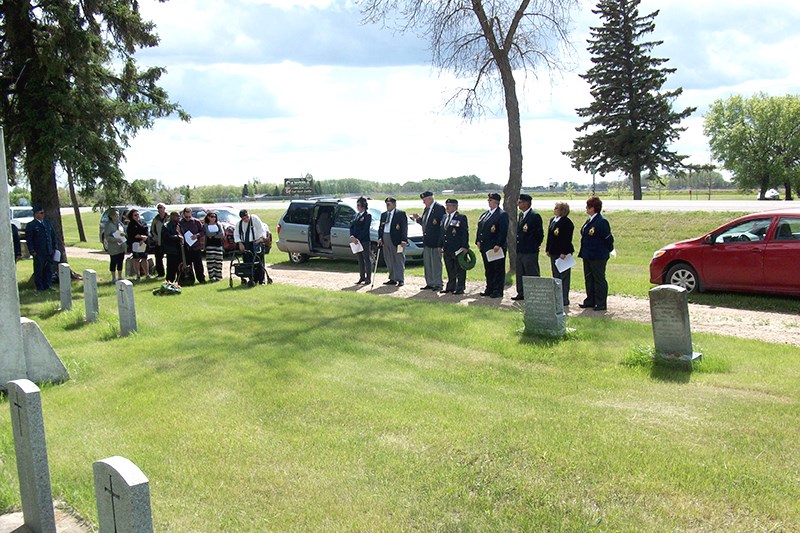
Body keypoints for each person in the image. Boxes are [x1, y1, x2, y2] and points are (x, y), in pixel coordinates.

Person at [578, 196, 614, 311]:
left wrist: (609, 250)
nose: (586, 209)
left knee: (599, 279)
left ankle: (601, 302)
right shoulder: (589, 220)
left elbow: (608, 239)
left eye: (588, 207)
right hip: (587, 254)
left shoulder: (601, 221)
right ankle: (590, 300)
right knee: (589, 278)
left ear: (593, 208)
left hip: (598, 255)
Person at [475, 193, 509, 298]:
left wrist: (498, 244)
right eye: (488, 200)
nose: (489, 202)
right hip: (485, 246)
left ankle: (497, 290)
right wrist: (478, 240)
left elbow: (503, 231)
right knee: (488, 269)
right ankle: (489, 288)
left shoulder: (502, 214)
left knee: (497, 269)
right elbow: (480, 228)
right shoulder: (485, 214)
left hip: (495, 247)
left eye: (491, 200)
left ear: (496, 202)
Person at [411, 191, 445, 291]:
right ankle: (430, 283)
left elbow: (441, 227)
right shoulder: (427, 209)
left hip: (435, 241)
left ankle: (438, 283)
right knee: (428, 263)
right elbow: (426, 224)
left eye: (424, 200)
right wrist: (418, 219)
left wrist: (440, 243)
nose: (423, 202)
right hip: (427, 241)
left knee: (436, 263)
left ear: (430, 198)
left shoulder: (439, 208)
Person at [512, 194, 544, 301]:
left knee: (531, 272)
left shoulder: (534, 216)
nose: (518, 204)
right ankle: (521, 292)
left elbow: (539, 235)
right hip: (520, 250)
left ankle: (534, 293)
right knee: (520, 272)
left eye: (520, 202)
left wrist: (534, 246)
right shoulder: (521, 215)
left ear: (526, 203)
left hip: (530, 251)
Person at [545, 201, 575, 306]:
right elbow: (550, 236)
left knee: (564, 276)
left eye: (557, 208)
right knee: (556, 275)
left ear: (563, 210)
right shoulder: (553, 220)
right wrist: (548, 249)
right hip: (554, 252)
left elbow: (567, 239)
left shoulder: (567, 223)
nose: (555, 209)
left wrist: (564, 252)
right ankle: (556, 297)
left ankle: (564, 299)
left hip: (563, 254)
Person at [25, 205, 58, 291]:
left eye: (43, 213)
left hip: (49, 251)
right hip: (38, 252)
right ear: (36, 214)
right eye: (41, 213)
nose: (43, 215)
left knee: (48, 269)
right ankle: (39, 287)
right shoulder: (31, 225)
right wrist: (32, 251)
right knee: (39, 270)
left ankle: (48, 285)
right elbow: (29, 239)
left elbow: (53, 236)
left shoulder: (47, 223)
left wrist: (54, 247)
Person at [377, 197, 408, 287]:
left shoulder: (400, 214)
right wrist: (380, 238)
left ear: (394, 204)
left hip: (397, 240)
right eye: (386, 204)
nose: (387, 206)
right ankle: (392, 278)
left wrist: (403, 240)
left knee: (398, 259)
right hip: (386, 237)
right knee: (389, 258)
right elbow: (380, 228)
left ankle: (400, 279)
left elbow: (404, 228)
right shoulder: (384, 215)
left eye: (389, 204)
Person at [440, 199, 469, 295]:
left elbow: (464, 233)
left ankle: (460, 287)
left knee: (459, 269)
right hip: (447, 248)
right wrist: (441, 245)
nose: (447, 207)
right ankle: (450, 286)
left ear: (455, 207)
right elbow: (442, 233)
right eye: (446, 205)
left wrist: (464, 246)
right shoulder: (444, 217)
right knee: (450, 268)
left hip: (458, 248)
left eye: (450, 205)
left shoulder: (461, 217)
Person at [234, 209, 269, 284]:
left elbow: (261, 229)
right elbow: (236, 234)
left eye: (246, 217)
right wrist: (240, 243)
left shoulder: (254, 219)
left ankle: (261, 280)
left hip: (256, 242)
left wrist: (260, 239)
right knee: (248, 262)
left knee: (259, 262)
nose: (246, 219)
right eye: (244, 218)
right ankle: (252, 278)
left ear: (248, 214)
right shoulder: (239, 224)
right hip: (246, 244)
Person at [179, 207, 206, 284]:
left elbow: (202, 232)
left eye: (189, 216)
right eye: (186, 217)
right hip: (186, 248)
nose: (187, 218)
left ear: (191, 214)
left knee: (198, 265)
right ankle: (190, 280)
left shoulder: (196, 222)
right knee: (188, 266)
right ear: (183, 215)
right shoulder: (180, 223)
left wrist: (197, 235)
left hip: (195, 247)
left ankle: (201, 279)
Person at [349, 197, 372, 284]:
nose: (357, 206)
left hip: (364, 240)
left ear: (363, 205)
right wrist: (352, 237)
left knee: (366, 259)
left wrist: (358, 238)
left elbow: (365, 229)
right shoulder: (356, 215)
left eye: (359, 205)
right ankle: (361, 277)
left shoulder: (367, 216)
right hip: (355, 241)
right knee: (360, 259)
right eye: (357, 205)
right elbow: (351, 226)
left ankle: (368, 278)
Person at [126, 208, 150, 281]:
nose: (137, 216)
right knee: (136, 259)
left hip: (143, 243)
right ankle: (138, 275)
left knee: (144, 259)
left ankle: (147, 274)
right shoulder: (131, 224)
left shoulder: (143, 222)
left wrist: (144, 238)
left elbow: (146, 232)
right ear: (132, 216)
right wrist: (140, 237)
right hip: (135, 244)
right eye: (135, 215)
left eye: (138, 214)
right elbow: (131, 234)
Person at [104, 209, 127, 282]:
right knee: (114, 261)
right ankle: (113, 277)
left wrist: (124, 234)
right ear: (111, 216)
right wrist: (115, 240)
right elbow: (107, 237)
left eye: (118, 215)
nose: (117, 216)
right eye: (115, 215)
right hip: (113, 246)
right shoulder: (108, 225)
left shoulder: (120, 223)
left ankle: (120, 276)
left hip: (121, 246)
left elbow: (123, 232)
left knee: (121, 260)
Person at [203, 211, 226, 282]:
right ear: (208, 217)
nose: (213, 218)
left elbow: (222, 234)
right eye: (212, 217)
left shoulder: (219, 224)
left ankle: (218, 276)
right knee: (210, 262)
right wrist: (216, 234)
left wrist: (214, 235)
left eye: (214, 217)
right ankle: (212, 277)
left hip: (218, 245)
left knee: (218, 262)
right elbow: (208, 233)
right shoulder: (206, 225)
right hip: (210, 245)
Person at [162, 211, 184, 283]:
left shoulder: (179, 225)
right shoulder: (166, 225)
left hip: (179, 249)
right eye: (177, 216)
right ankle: (169, 281)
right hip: (171, 250)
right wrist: (177, 237)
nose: (179, 218)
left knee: (180, 266)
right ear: (172, 217)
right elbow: (167, 236)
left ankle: (180, 280)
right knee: (171, 267)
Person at [150, 203, 169, 277]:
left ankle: (170, 273)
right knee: (158, 258)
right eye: (158, 208)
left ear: (164, 208)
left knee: (170, 259)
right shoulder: (156, 219)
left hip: (168, 241)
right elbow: (152, 230)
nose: (159, 209)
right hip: (158, 242)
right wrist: (156, 238)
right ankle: (160, 273)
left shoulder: (169, 217)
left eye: (161, 207)